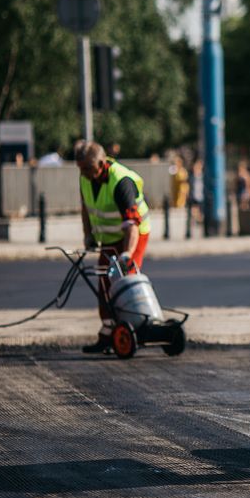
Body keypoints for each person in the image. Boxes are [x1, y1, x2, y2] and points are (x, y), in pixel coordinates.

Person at [76, 141, 152, 354]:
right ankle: (109, 332)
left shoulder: (121, 182)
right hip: (109, 237)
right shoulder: (85, 178)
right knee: (104, 282)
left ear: (101, 164)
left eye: (87, 168)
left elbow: (132, 224)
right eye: (80, 169)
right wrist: (88, 235)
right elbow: (85, 208)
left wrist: (127, 254)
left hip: (134, 234)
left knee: (125, 280)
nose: (83, 173)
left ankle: (133, 328)